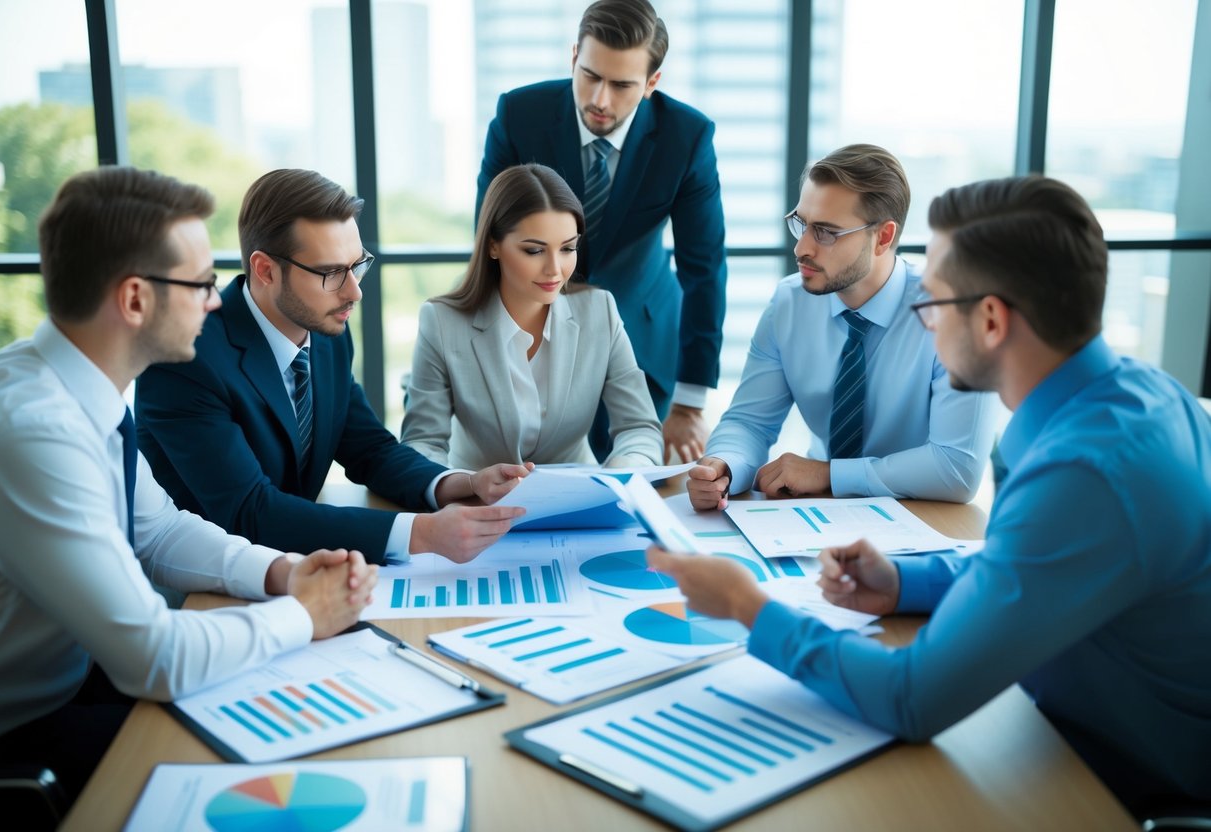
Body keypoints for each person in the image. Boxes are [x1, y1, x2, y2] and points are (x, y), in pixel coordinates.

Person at [649, 175, 1211, 814]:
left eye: (934, 302)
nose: (926, 320)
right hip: (1076, 734)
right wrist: (908, 584)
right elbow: (1032, 563)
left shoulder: (1084, 474)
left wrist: (750, 607)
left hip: (1122, 779)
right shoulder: (1144, 396)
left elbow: (910, 698)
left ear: (992, 320)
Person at [0, 167, 377, 807]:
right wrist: (304, 614)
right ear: (136, 300)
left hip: (81, 679)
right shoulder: (36, 431)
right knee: (270, 770)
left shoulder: (80, 392)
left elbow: (160, 529)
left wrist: (283, 573)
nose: (215, 301)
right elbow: (155, 657)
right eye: (201, 284)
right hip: (28, 729)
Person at [136, 169, 529, 566]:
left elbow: (370, 450)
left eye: (356, 265)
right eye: (331, 273)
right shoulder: (186, 358)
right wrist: (419, 533)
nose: (354, 290)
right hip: (203, 584)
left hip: (297, 567)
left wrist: (462, 483)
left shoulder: (326, 334)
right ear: (265, 270)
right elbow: (248, 511)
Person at [476, 0, 726, 464]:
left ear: (652, 83)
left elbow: (704, 268)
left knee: (638, 483)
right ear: (574, 57)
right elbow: (489, 239)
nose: (599, 100)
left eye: (622, 84)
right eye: (590, 75)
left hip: (642, 339)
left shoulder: (686, 137)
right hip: (532, 335)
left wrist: (691, 402)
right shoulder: (519, 114)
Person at [689, 144, 997, 509]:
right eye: (801, 224)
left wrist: (829, 474)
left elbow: (958, 468)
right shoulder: (789, 304)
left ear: (882, 237)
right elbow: (750, 421)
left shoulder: (954, 315)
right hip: (817, 512)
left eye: (826, 233)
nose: (801, 248)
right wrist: (724, 464)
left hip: (924, 516)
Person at [401, 164, 663, 471]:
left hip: (577, 502)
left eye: (567, 248)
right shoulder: (442, 322)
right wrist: (457, 487)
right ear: (493, 245)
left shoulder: (599, 311)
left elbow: (640, 428)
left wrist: (621, 471)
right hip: (475, 504)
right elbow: (422, 443)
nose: (555, 268)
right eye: (535, 251)